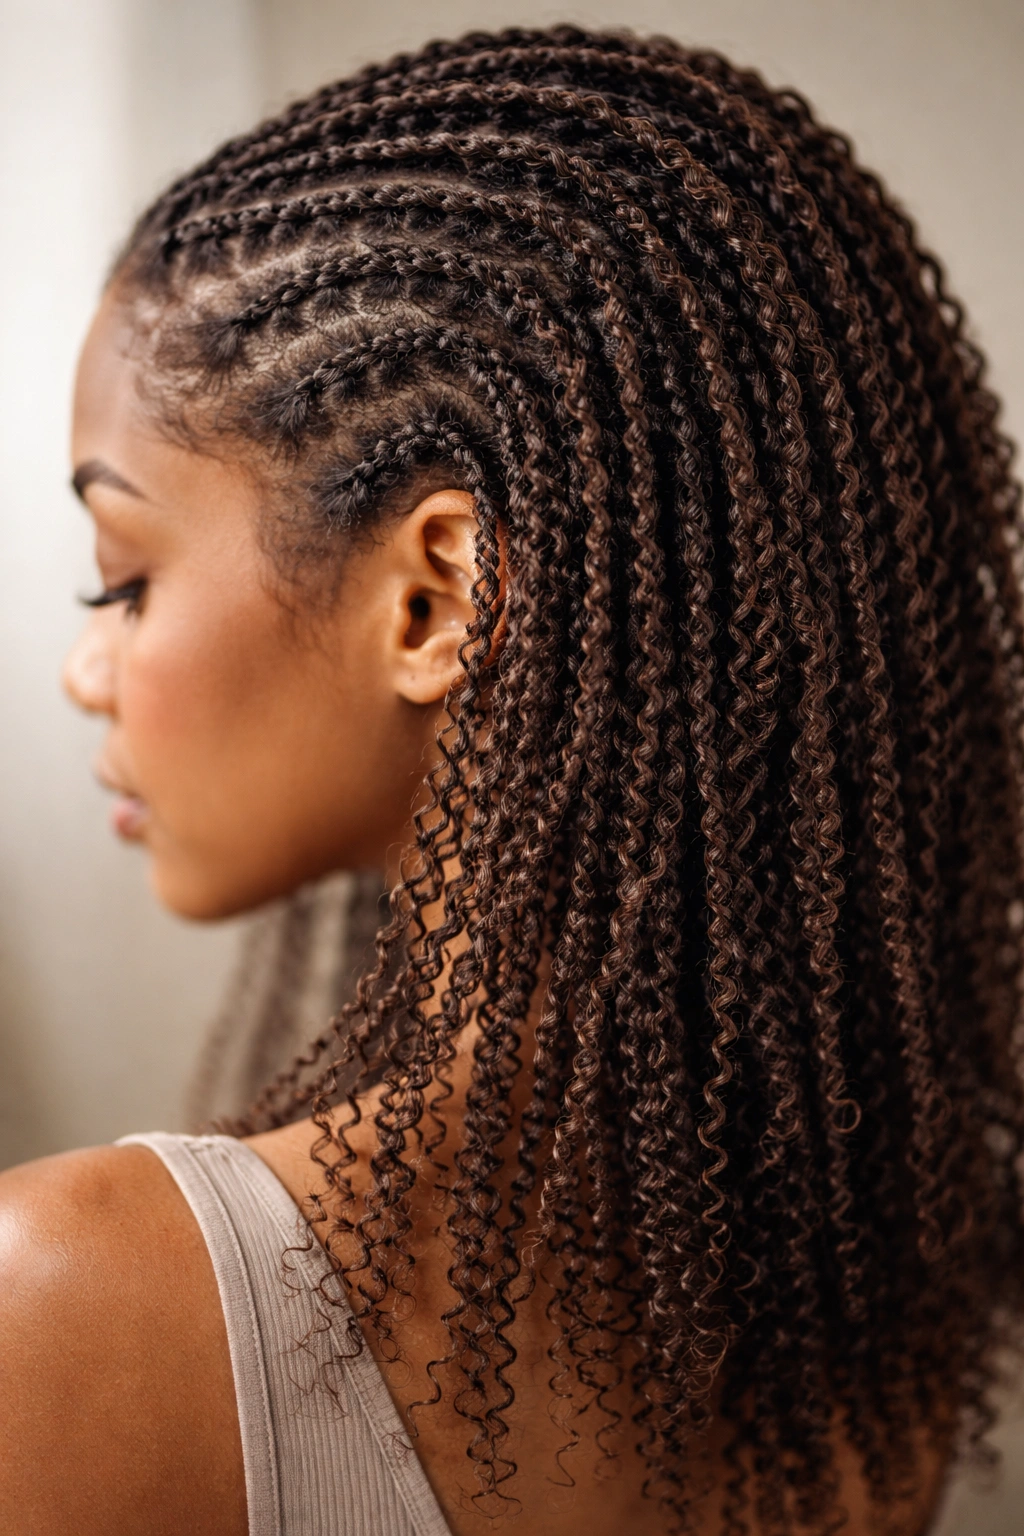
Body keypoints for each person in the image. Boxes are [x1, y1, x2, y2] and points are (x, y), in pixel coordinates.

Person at [1, 24, 1022, 1536]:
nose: (91, 671)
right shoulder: (877, 1327)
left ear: (438, 600)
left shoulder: (70, 1306)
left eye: (122, 578)